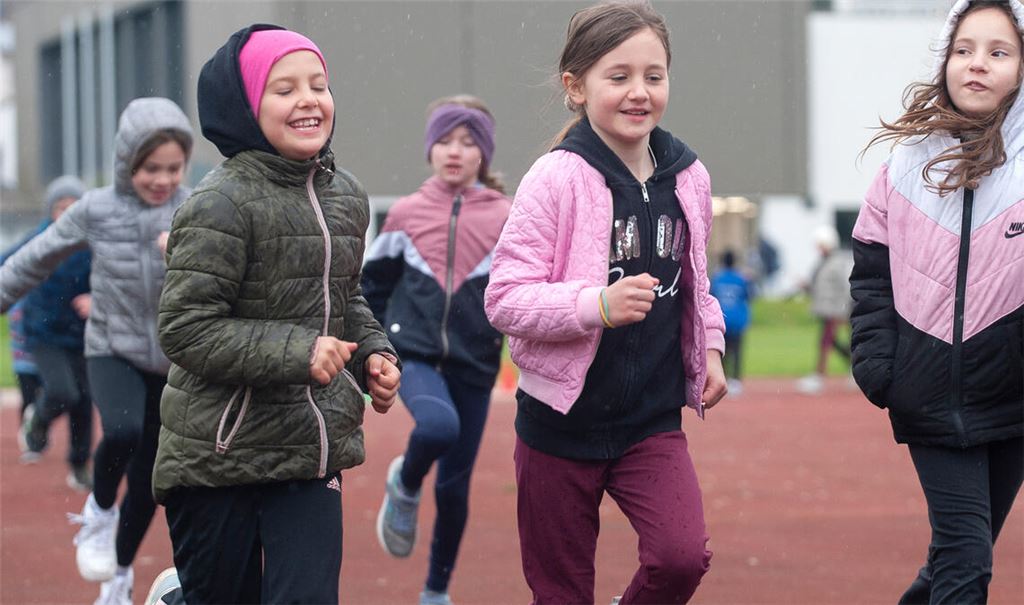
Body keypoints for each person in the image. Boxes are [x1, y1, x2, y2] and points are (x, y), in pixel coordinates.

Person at [483, 3, 727, 603]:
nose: (638, 92)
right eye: (618, 77)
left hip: (650, 421)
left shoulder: (689, 177)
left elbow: (696, 281)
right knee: (561, 591)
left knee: (680, 559)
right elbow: (505, 298)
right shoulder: (555, 177)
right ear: (576, 86)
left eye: (654, 75)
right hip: (558, 425)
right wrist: (596, 305)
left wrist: (712, 348)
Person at [149, 25, 401, 605]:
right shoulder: (219, 203)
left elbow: (346, 299)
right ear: (243, 108)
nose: (309, 99)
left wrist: (372, 355)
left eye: (319, 84)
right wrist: (299, 351)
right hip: (218, 451)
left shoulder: (348, 197)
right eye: (284, 89)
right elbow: (187, 328)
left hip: (309, 449)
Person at [850, 1, 1024, 602]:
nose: (977, 64)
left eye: (998, 52)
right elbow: (870, 276)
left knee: (951, 562)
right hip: (927, 393)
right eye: (964, 49)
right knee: (967, 559)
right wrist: (881, 367)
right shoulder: (903, 166)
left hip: (1013, 397)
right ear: (944, 59)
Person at [0, 97, 194, 605]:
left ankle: (121, 575)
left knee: (155, 477)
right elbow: (32, 261)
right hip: (112, 345)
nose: (163, 180)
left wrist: (186, 254)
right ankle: (99, 513)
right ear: (128, 162)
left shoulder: (193, 209)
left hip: (171, 358)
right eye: (151, 168)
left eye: (174, 169)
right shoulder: (96, 210)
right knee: (125, 428)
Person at [362, 94, 512, 605]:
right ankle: (404, 485)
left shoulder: (508, 218)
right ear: (430, 148)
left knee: (453, 490)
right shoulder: (404, 213)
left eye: (468, 143)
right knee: (437, 428)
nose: (455, 151)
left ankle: (435, 592)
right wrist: (372, 350)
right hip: (416, 354)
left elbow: (523, 292)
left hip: (476, 364)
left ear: (484, 155)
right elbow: (372, 290)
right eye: (445, 140)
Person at [3, 176, 93, 489]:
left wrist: (97, 299)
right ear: (49, 212)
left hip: (84, 334)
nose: (67, 214)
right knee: (63, 391)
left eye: (74, 207)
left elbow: (119, 276)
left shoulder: (95, 242)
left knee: (83, 400)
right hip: (43, 333)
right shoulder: (39, 238)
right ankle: (38, 419)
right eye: (60, 208)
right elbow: (8, 265)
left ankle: (79, 465)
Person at [796, 225, 854, 394]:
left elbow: (845, 286)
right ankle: (852, 368)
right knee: (831, 342)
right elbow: (820, 286)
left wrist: (845, 309)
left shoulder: (838, 262)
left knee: (826, 342)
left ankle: (818, 376)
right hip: (828, 309)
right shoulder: (824, 262)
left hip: (837, 310)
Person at [710, 250, 751, 395]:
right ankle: (736, 380)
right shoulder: (741, 279)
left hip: (722, 320)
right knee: (737, 352)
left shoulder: (717, 278)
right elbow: (748, 296)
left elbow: (711, 296)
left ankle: (723, 377)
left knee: (722, 352)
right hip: (738, 320)